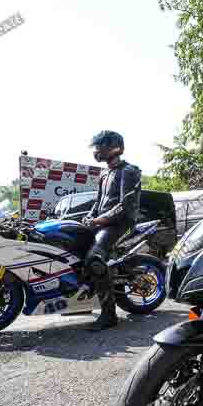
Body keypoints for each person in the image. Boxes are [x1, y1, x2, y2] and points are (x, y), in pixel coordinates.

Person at [82, 130, 142, 331]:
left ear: (113, 147)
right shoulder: (105, 173)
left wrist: (98, 220)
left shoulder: (129, 171)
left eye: (100, 146)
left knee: (94, 260)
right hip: (103, 223)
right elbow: (98, 201)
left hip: (121, 224)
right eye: (96, 147)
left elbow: (125, 206)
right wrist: (90, 217)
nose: (97, 151)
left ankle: (109, 315)